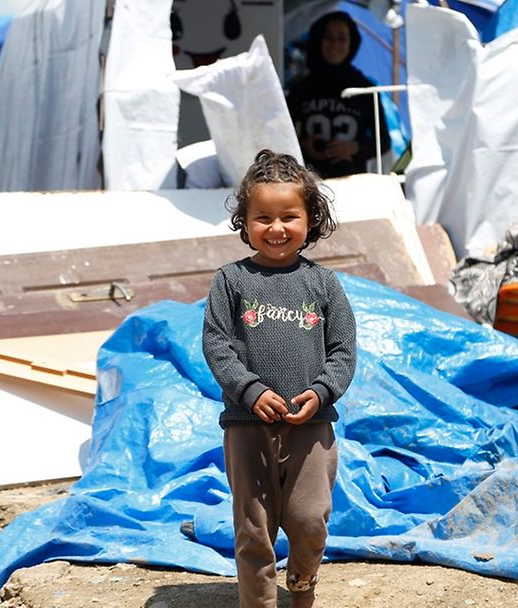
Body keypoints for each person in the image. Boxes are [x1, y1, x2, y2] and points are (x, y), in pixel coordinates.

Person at [202, 149, 358, 608]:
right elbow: (217, 345)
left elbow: (343, 351)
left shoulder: (324, 284)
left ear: (310, 219)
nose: (275, 228)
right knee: (255, 528)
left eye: (288, 216)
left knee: (309, 520)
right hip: (247, 429)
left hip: (310, 429)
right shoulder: (230, 281)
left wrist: (320, 391)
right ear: (244, 222)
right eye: (262, 217)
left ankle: (303, 583)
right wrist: (251, 393)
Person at [287, 11, 391, 178]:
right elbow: (283, 135)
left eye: (342, 38)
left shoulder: (364, 89)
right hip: (310, 184)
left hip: (352, 182)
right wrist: (304, 146)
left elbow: (384, 142)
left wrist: (355, 148)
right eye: (328, 37)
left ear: (352, 43)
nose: (335, 44)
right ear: (318, 40)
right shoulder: (301, 89)